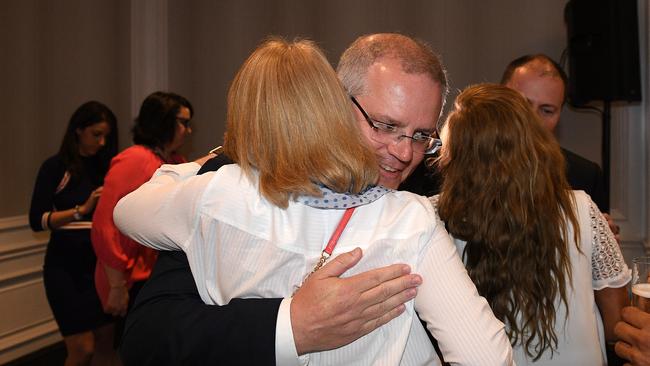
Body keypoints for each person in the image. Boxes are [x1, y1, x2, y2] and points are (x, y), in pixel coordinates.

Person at [115, 37, 512, 365]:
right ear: (334, 106)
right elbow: (151, 335)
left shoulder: (214, 192)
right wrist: (291, 326)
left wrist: (197, 167)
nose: (405, 153)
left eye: (422, 135)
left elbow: (129, 210)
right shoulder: (409, 217)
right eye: (385, 126)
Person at [433, 83, 630, 365]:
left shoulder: (433, 216)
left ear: (453, 156)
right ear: (535, 145)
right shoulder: (581, 210)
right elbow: (617, 326)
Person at [29, 101, 119, 365]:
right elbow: (38, 220)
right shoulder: (55, 167)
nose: (102, 142)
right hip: (65, 267)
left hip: (99, 267)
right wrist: (82, 210)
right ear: (78, 130)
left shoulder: (107, 168)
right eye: (96, 134)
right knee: (82, 348)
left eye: (107, 136)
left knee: (105, 343)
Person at [91, 91, 192, 320]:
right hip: (122, 276)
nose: (188, 130)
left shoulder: (176, 161)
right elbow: (105, 224)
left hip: (148, 274)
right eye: (183, 123)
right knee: (112, 348)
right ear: (164, 121)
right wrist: (117, 285)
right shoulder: (135, 159)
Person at [501, 54, 611, 214]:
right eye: (522, 104)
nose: (532, 119)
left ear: (559, 114)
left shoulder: (585, 176)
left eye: (546, 110)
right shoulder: (462, 164)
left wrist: (603, 236)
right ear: (498, 98)